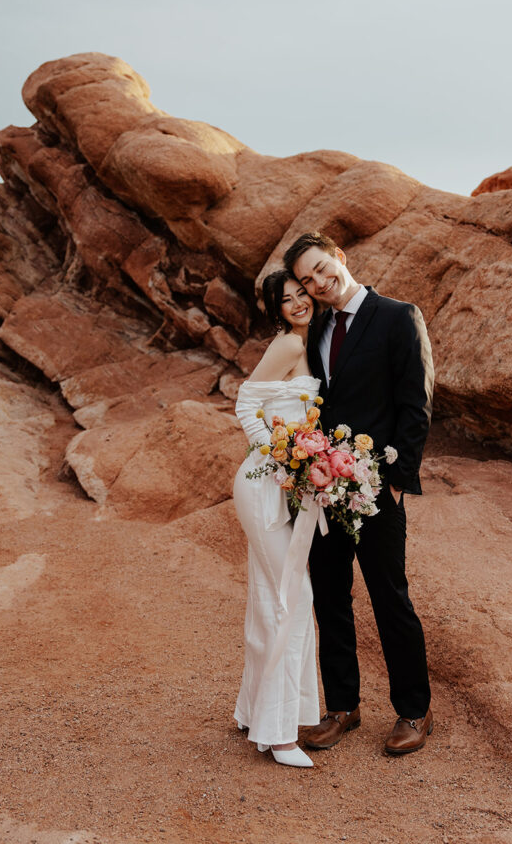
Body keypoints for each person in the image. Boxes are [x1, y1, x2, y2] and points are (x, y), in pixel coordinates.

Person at [283, 230, 435, 755]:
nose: (319, 283)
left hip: (377, 490)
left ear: (340, 258)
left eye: (323, 269)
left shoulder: (398, 316)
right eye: (307, 280)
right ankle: (343, 706)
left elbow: (416, 405)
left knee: (390, 598)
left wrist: (397, 483)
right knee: (330, 597)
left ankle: (414, 711)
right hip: (324, 490)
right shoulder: (316, 325)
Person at [232, 270, 320, 768]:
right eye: (286, 300)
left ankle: (253, 712)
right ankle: (280, 733)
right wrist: (283, 455)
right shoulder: (288, 345)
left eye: (300, 294)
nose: (296, 303)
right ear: (278, 310)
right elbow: (246, 402)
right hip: (263, 480)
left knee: (270, 596)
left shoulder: (312, 342)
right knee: (294, 595)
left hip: (283, 484)